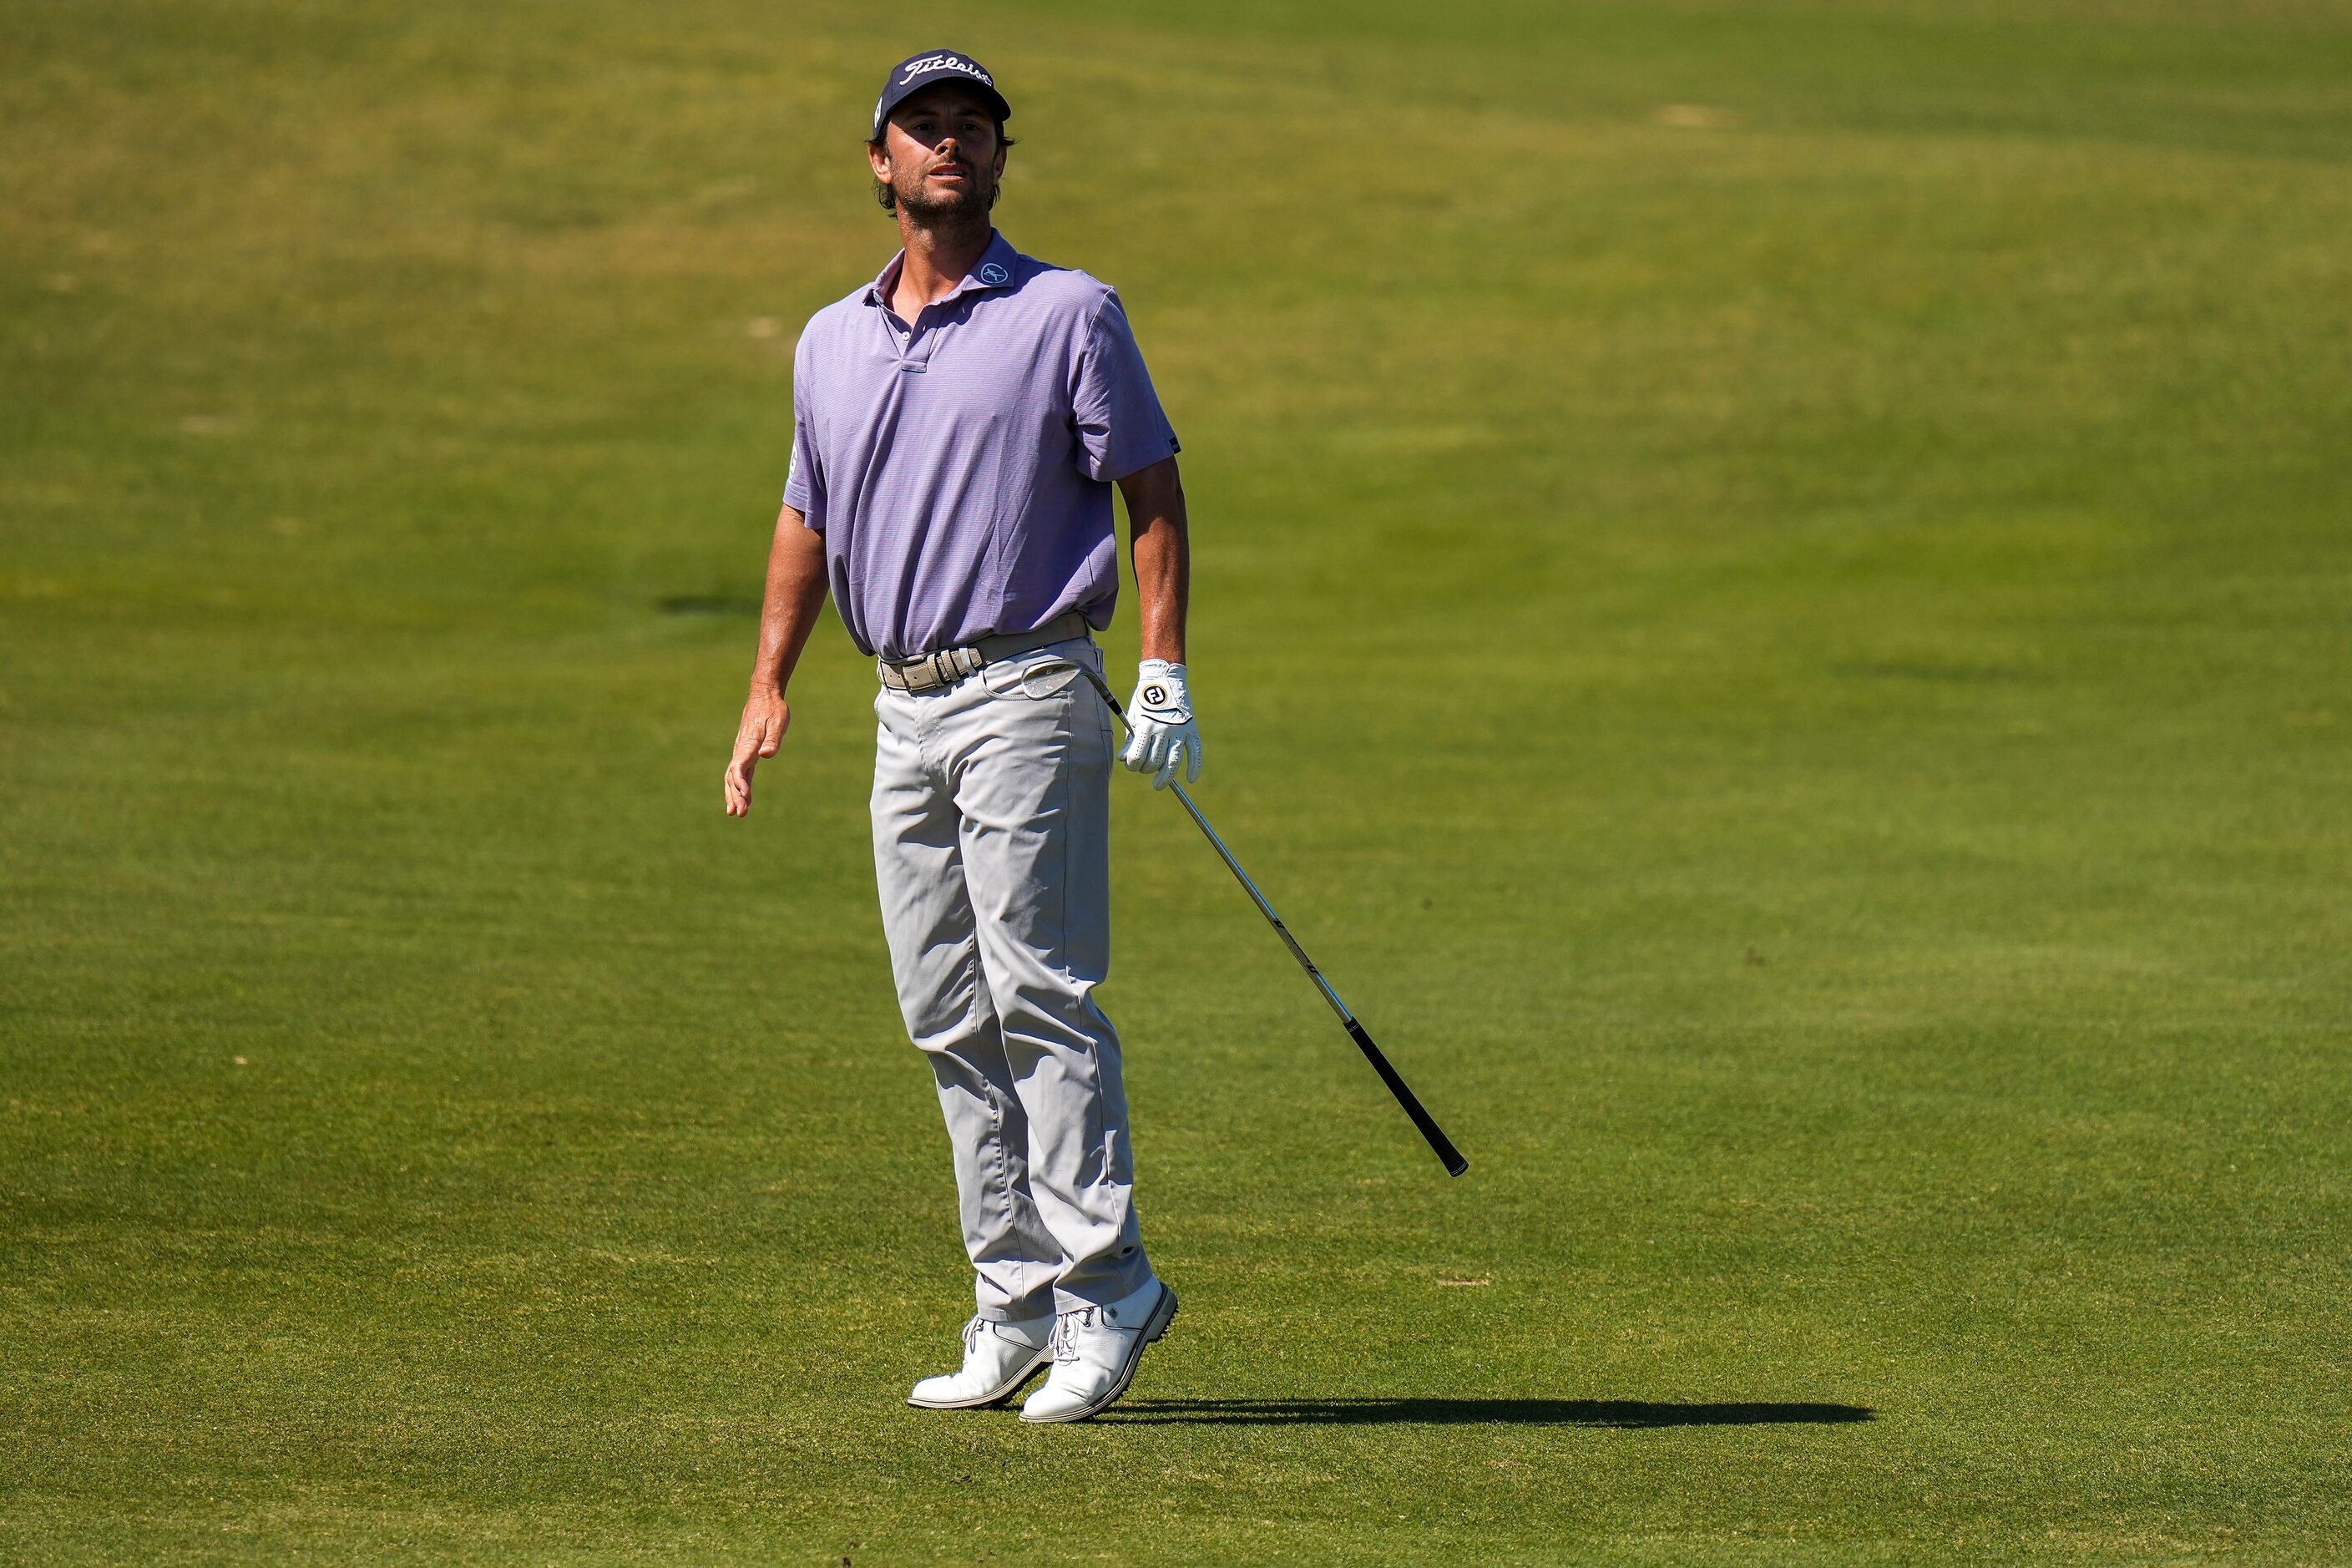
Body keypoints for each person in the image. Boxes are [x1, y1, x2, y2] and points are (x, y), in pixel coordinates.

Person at [722, 49, 1199, 1424]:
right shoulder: (829, 338)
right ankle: (1014, 1296)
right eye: (922, 128)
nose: (949, 146)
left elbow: (1150, 493)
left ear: (998, 161)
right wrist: (768, 682)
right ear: (878, 160)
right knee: (945, 1012)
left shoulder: (1069, 313)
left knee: (1038, 991)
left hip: (1026, 687)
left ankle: (1108, 1286)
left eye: (972, 130)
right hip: (899, 703)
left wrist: (1160, 670)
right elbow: (806, 514)